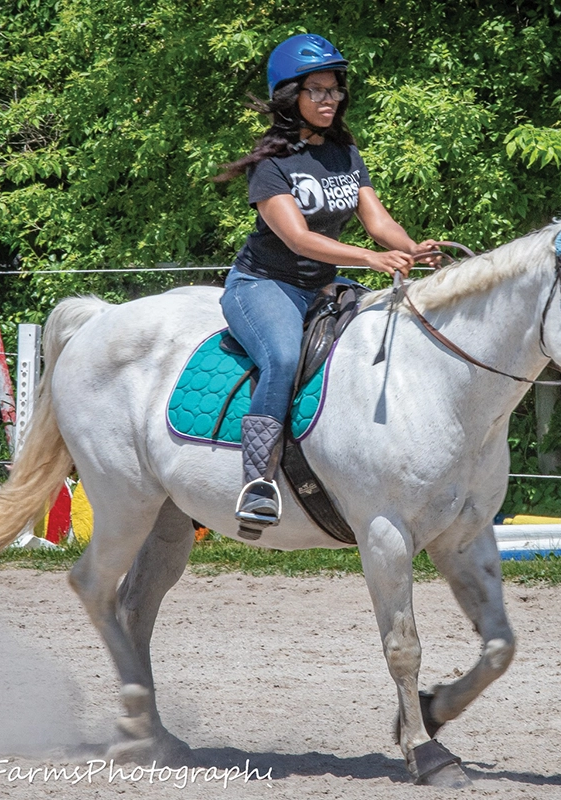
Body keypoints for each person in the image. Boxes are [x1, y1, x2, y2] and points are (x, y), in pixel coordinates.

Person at [214, 33, 441, 536]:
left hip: (322, 283)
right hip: (264, 285)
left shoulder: (343, 150)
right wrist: (369, 258)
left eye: (334, 89)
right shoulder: (270, 164)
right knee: (283, 358)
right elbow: (297, 239)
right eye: (316, 90)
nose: (329, 99)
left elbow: (377, 220)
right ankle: (258, 483)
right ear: (290, 96)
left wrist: (409, 250)